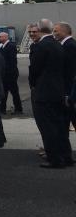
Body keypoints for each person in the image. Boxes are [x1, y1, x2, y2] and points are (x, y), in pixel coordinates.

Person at [31, 19, 71, 169]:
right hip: (58, 90)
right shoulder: (58, 45)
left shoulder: (41, 46)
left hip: (45, 91)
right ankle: (65, 155)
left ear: (40, 29)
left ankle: (55, 159)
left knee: (48, 127)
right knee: (59, 126)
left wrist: (34, 84)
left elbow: (34, 70)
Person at [52, 21, 76, 160]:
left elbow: (70, 73)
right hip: (68, 92)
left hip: (69, 93)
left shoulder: (69, 46)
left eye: (56, 31)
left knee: (68, 121)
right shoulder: (66, 45)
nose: (54, 33)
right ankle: (64, 153)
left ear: (65, 31)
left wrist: (68, 94)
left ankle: (65, 155)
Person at [0, 32, 22, 114]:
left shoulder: (10, 46)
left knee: (14, 92)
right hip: (4, 74)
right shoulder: (2, 47)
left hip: (10, 74)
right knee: (4, 93)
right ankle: (2, 109)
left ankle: (18, 109)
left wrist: (10, 73)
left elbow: (12, 62)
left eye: (0, 37)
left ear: (5, 37)